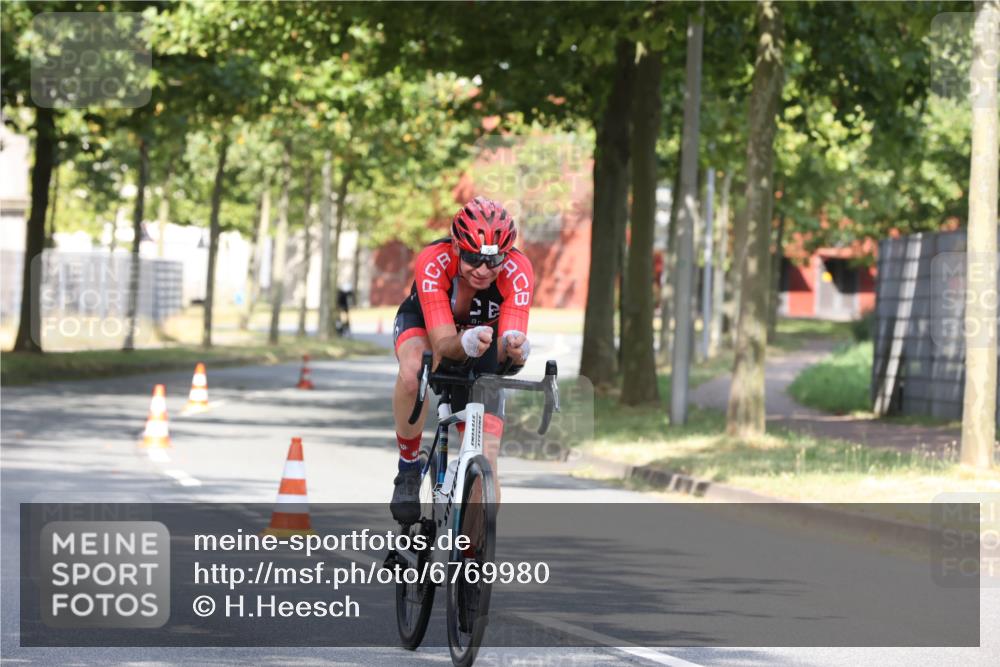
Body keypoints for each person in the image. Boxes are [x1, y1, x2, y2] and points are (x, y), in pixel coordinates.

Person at [390, 196, 534, 523]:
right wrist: (465, 340)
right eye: (472, 258)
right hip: (428, 326)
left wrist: (516, 350)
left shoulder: (518, 270)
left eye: (493, 260)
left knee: (488, 462)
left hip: (482, 341)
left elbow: (508, 349)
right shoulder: (434, 260)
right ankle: (408, 468)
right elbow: (443, 346)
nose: (483, 270)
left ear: (506, 254)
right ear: (456, 247)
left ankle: (471, 549)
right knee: (414, 370)